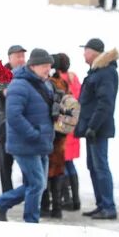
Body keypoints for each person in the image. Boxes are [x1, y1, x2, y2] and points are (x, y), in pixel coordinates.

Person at [0, 49, 55, 224]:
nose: (48, 69)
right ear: (33, 66)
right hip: (25, 143)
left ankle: (1, 203)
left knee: (37, 184)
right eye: (44, 66)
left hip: (42, 141)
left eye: (49, 66)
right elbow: (14, 116)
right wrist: (33, 134)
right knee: (37, 184)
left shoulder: (44, 83)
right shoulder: (18, 84)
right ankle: (31, 222)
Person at [76, 38, 119, 220]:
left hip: (98, 128)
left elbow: (105, 103)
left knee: (100, 166)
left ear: (93, 52)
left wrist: (93, 126)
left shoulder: (105, 73)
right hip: (91, 127)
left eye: (85, 50)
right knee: (93, 166)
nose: (83, 54)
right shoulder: (98, 71)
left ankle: (108, 206)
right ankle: (101, 204)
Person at [42, 53, 74, 219]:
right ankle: (57, 207)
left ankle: (46, 206)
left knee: (46, 170)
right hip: (61, 133)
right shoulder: (63, 83)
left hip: (49, 132)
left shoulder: (48, 84)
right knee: (58, 171)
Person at [0, 45, 27, 193]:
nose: (21, 60)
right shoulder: (2, 75)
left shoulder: (29, 73)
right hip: (5, 127)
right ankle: (6, 198)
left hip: (23, 127)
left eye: (23, 56)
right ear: (10, 58)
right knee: (5, 165)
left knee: (27, 166)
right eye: (18, 56)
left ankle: (28, 196)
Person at [60, 53, 83, 211]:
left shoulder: (58, 79)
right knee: (69, 163)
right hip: (74, 125)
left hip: (62, 126)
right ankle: (76, 199)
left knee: (62, 163)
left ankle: (66, 199)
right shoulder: (74, 79)